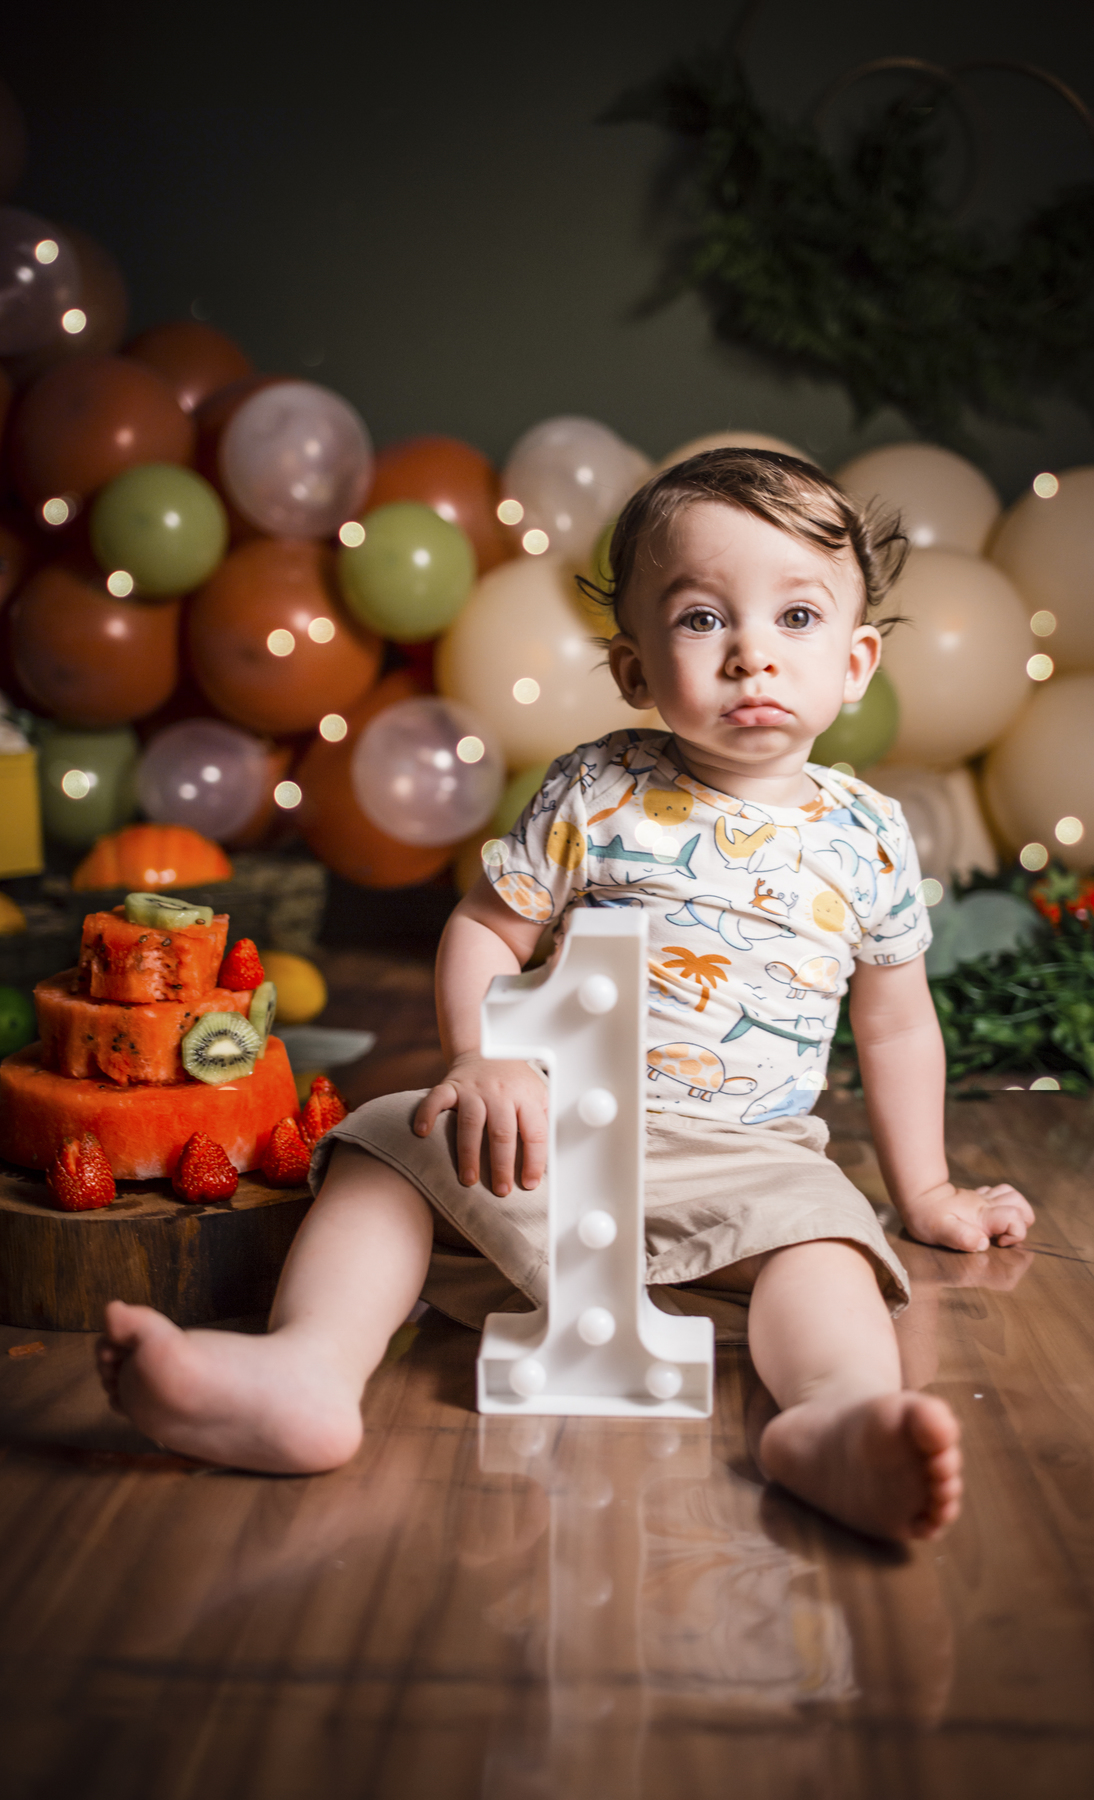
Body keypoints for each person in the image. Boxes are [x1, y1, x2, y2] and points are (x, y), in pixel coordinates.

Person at [98, 448, 1034, 1541]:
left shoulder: (868, 833)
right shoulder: (601, 786)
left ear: (857, 661)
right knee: (386, 1153)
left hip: (749, 1157)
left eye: (796, 618)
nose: (750, 657)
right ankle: (306, 1370)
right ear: (635, 671)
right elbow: (486, 930)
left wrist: (921, 1192)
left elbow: (896, 1020)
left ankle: (836, 1422)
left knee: (824, 1252)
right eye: (700, 621)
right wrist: (481, 1058)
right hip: (553, 1129)